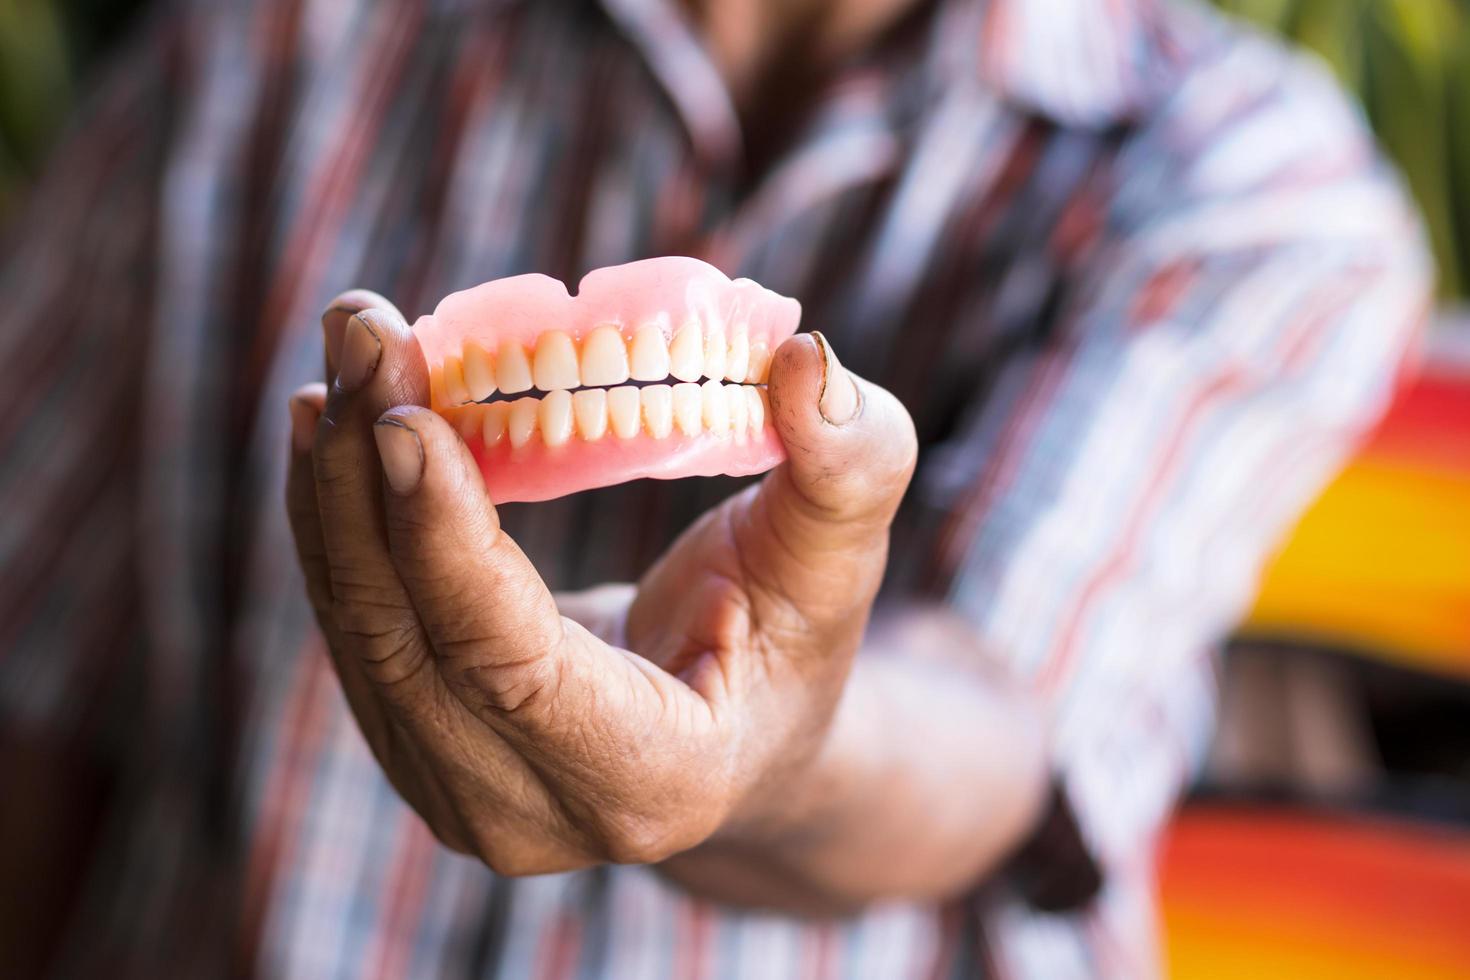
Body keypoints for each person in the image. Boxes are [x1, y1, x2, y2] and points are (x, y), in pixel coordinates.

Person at [0, 0, 1430, 976]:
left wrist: (771, 743)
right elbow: (31, 719)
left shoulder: (1244, 188)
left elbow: (995, 712)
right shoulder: (261, 51)